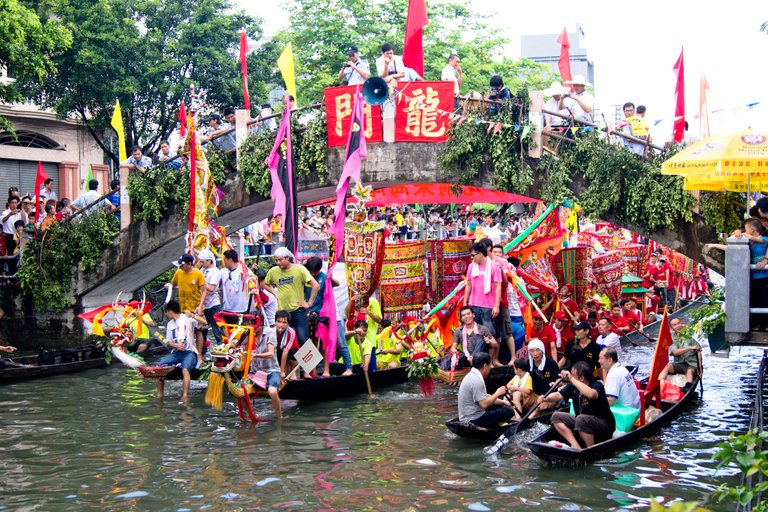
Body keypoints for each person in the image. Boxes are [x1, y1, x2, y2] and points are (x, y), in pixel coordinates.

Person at [542, 361, 616, 449]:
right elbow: (558, 395)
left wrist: (571, 379)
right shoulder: (573, 387)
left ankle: (591, 450)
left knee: (581, 419)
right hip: (582, 422)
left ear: (581, 378)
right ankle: (575, 445)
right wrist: (545, 398)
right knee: (556, 416)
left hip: (603, 426)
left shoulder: (597, 385)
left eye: (573, 375)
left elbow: (592, 394)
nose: (570, 377)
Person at [263, 247, 319, 348]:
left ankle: (310, 364)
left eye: (280, 260)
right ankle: (283, 363)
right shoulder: (273, 271)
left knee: (303, 340)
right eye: (276, 260)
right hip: (282, 311)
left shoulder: (299, 269)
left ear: (287, 258)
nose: (278, 263)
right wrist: (274, 292)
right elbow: (265, 284)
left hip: (298, 310)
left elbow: (315, 285)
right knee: (279, 341)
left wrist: (309, 303)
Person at [155, 301, 205, 401]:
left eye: (166, 312)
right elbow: (168, 342)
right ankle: (160, 394)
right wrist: (176, 345)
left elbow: (204, 322)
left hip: (189, 352)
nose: (166, 315)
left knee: (185, 369)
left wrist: (192, 315)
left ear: (169, 311)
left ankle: (185, 395)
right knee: (158, 367)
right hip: (176, 353)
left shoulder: (186, 318)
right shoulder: (170, 324)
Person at [457, 352, 514, 427]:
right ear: (485, 365)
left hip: (467, 417)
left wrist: (504, 402)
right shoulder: (477, 380)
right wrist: (498, 393)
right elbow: (484, 404)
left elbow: (485, 397)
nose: (491, 367)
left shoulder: (471, 375)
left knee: (497, 405)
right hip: (474, 419)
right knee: (509, 412)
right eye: (490, 365)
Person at [463, 242, 502, 344]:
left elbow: (498, 286)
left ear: (480, 254)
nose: (472, 258)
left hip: (488, 307)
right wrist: (465, 302)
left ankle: (493, 359)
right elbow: (468, 284)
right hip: (474, 305)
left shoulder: (494, 267)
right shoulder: (471, 267)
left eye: (473, 255)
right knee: (475, 334)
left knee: (490, 334)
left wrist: (496, 305)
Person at [734, 219, 768, 330]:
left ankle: (765, 325)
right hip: (752, 278)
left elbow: (757, 239)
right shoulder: (749, 242)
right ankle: (756, 325)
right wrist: (737, 232)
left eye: (746, 229)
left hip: (764, 278)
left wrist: (743, 234)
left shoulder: (764, 240)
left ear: (752, 230)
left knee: (764, 300)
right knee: (754, 300)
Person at [248, 322, 283, 419]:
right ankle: (249, 415)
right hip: (255, 371)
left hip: (271, 370)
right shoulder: (248, 332)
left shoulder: (270, 332)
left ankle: (279, 416)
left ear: (261, 324)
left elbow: (271, 353)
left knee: (272, 391)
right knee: (240, 392)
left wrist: (255, 355)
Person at [658, 317, 702, 392]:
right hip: (680, 364)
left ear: (681, 324)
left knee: (690, 372)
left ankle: (687, 388)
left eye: (678, 323)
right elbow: (675, 352)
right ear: (672, 328)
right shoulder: (671, 339)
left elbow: (699, 351)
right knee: (667, 366)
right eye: (674, 325)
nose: (677, 326)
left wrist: (700, 369)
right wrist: (690, 348)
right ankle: (658, 385)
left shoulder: (690, 336)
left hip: (691, 364)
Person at [527, 338, 561, 418]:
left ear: (542, 350)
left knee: (538, 408)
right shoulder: (528, 364)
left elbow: (558, 379)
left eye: (537, 350)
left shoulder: (551, 363)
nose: (535, 354)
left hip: (547, 397)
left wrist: (556, 383)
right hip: (533, 394)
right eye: (532, 351)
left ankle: (528, 422)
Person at [195, 249, 223, 346]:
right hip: (203, 305)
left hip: (213, 304)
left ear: (209, 260)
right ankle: (203, 351)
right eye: (200, 262)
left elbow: (211, 288)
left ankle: (222, 347)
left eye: (202, 262)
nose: (201, 264)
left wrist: (201, 284)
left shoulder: (215, 271)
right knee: (202, 329)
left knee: (217, 329)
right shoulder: (202, 270)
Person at [219, 249, 249, 314]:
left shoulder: (243, 271)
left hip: (240, 309)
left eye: (225, 260)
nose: (224, 262)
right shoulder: (223, 271)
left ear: (230, 260)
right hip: (227, 309)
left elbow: (251, 280)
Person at [275, 309, 299, 379]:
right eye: (279, 321)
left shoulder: (291, 332)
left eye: (284, 322)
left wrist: (282, 371)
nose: (280, 325)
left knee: (292, 355)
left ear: (288, 324)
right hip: (278, 350)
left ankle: (290, 371)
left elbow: (285, 352)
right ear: (275, 321)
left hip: (290, 351)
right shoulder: (272, 331)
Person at [1, 196, 21, 269]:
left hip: (18, 236)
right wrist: (10, 214)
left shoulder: (19, 213)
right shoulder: (5, 212)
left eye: (16, 202)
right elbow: (2, 220)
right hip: (9, 236)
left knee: (18, 255)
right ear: (9, 203)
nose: (14, 204)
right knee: (10, 254)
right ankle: (10, 274)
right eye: (12, 203)